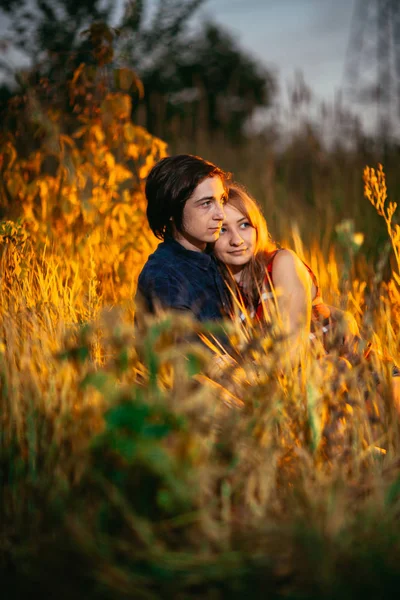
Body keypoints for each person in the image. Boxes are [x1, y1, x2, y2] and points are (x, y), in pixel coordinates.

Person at [212, 182, 360, 358]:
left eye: (244, 225)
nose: (236, 240)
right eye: (223, 229)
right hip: (305, 380)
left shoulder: (282, 263)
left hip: (360, 374)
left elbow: (290, 352)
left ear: (257, 228)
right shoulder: (220, 288)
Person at [136, 154, 232, 321]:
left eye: (221, 200)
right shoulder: (165, 277)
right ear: (172, 210)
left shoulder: (218, 258)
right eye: (206, 203)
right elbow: (184, 346)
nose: (220, 214)